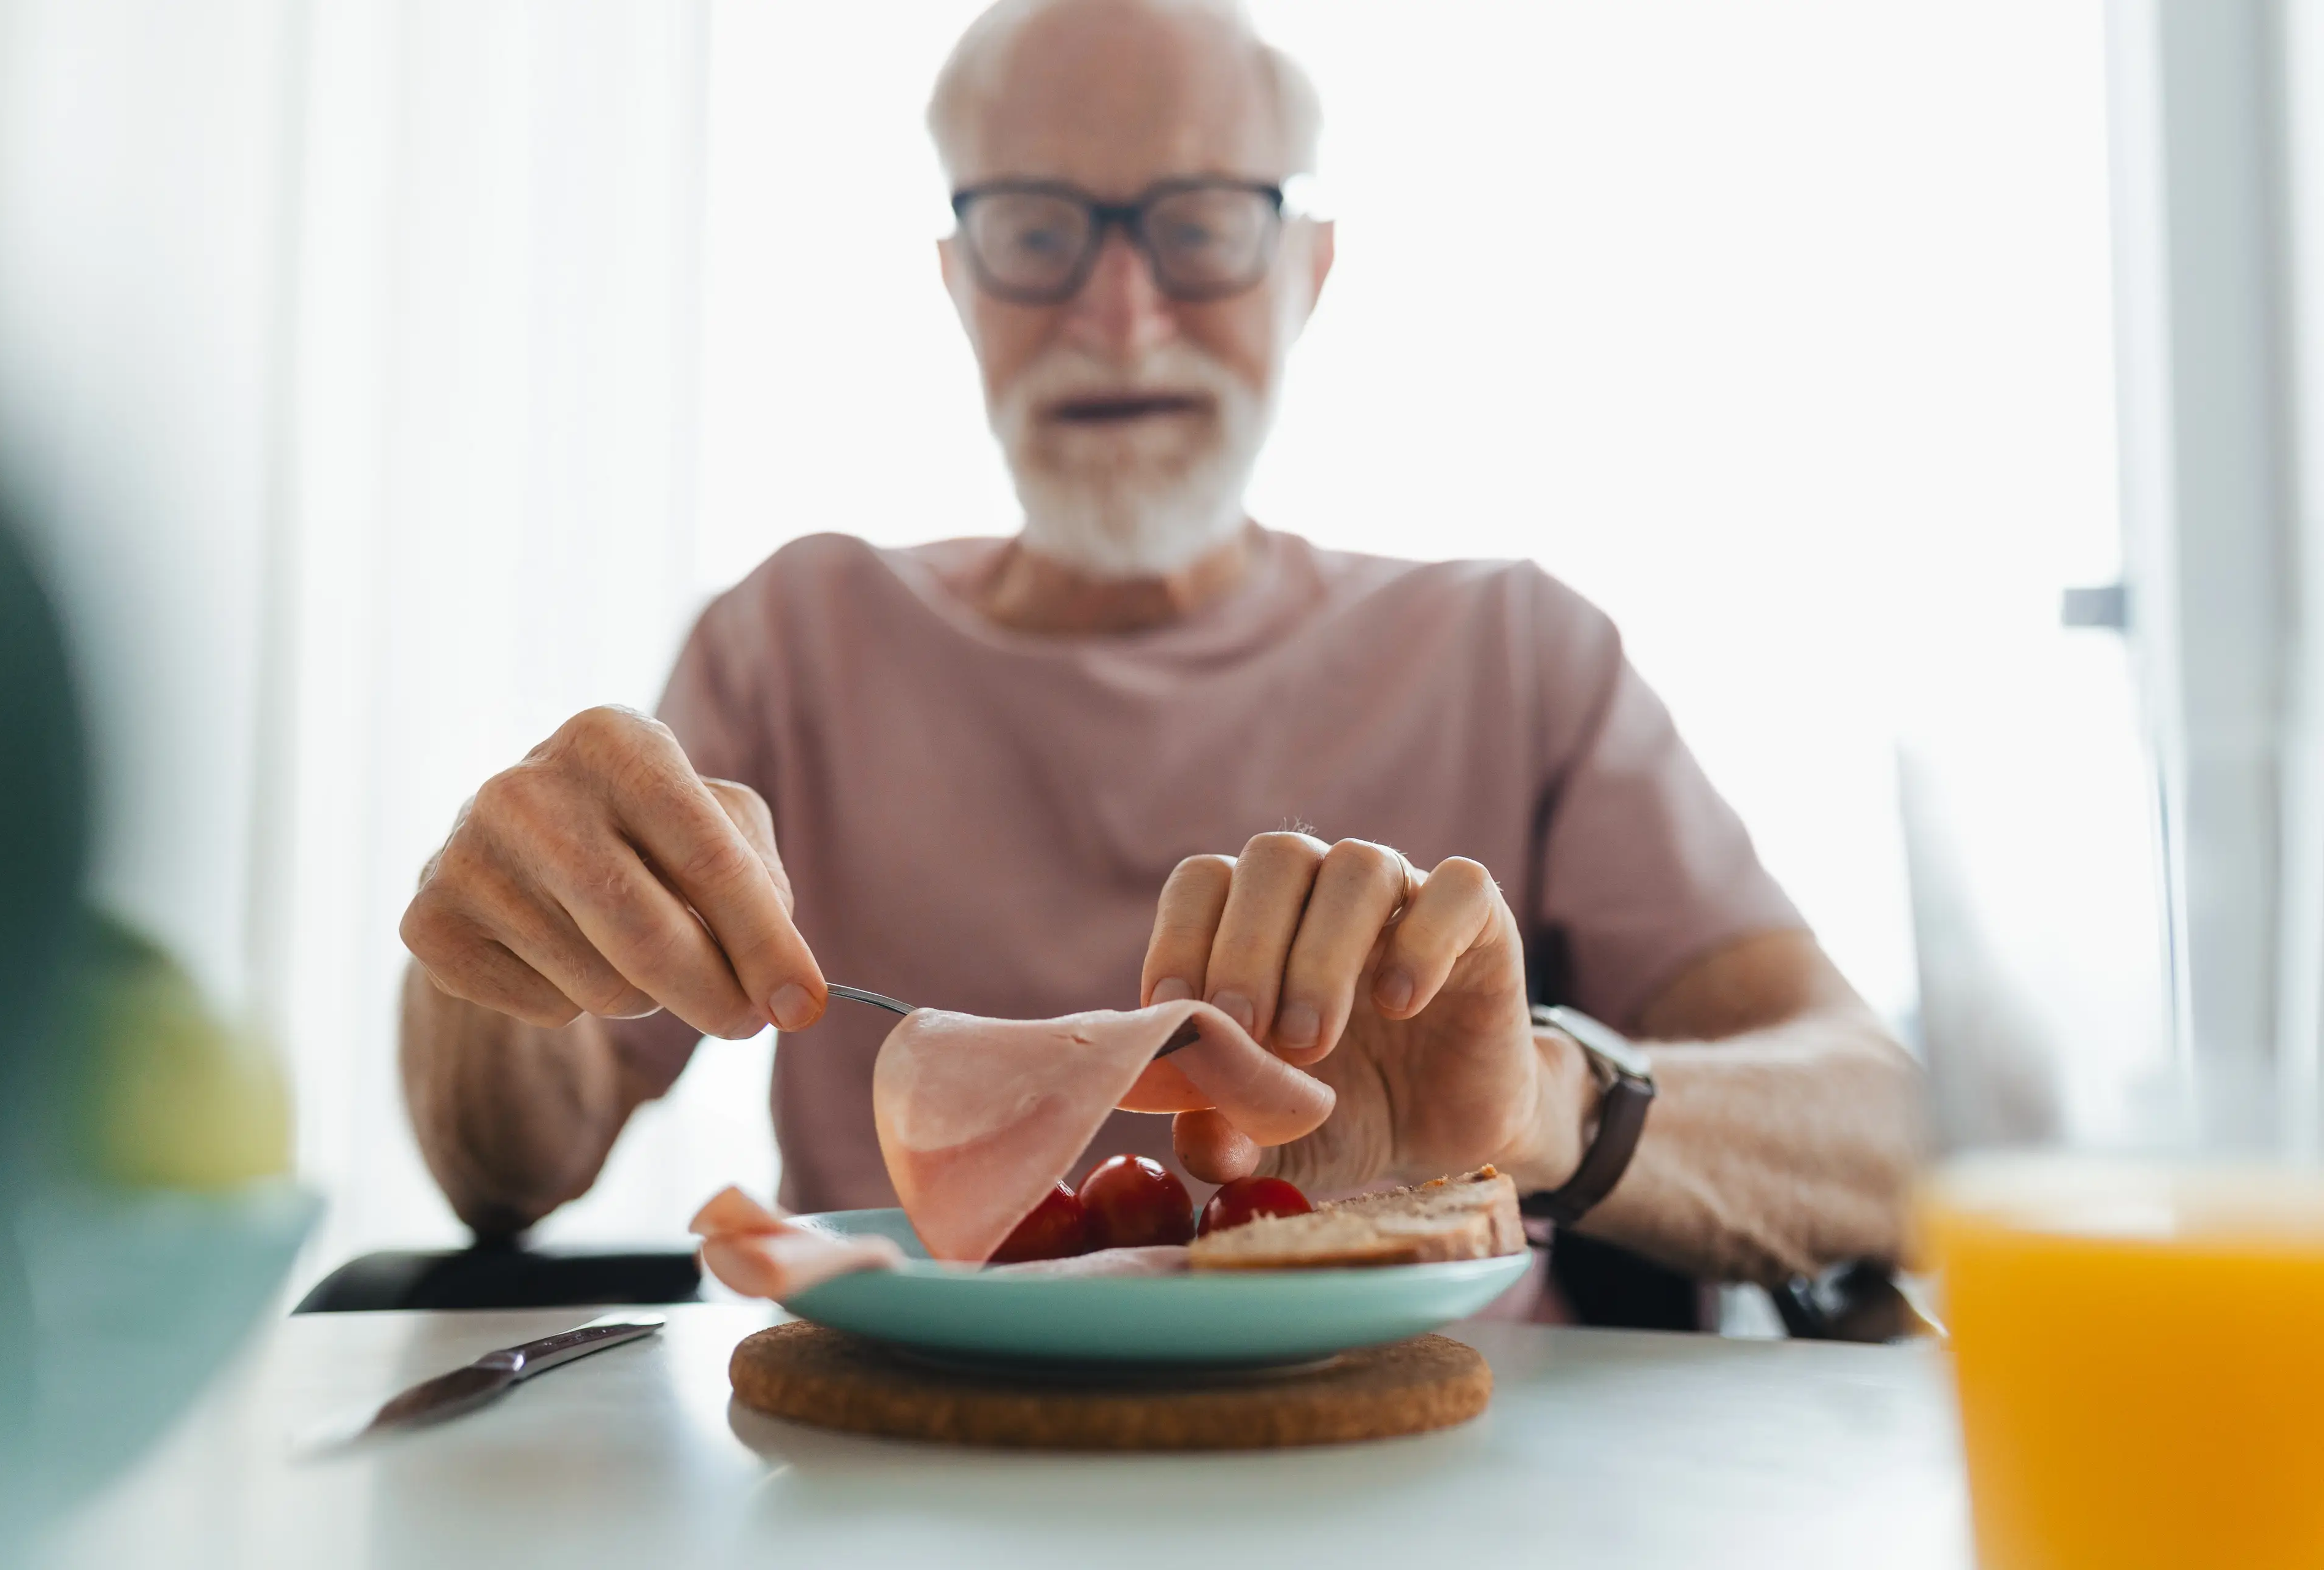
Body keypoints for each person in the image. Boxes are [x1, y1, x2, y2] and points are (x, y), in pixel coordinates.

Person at [399, 0, 1919, 1295]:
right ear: (958, 284)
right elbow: (511, 1164)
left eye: (1197, 228)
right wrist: (505, 934)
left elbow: (1894, 1133)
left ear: (1305, 271)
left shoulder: (1516, 650)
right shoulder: (794, 637)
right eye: (1037, 231)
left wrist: (1540, 1101)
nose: (1119, 320)